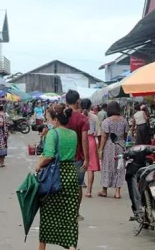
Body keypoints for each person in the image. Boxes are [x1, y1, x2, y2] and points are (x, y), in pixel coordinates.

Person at [35, 103, 79, 250]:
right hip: (71, 176)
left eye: (48, 118)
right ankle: (72, 247)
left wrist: (39, 165)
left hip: (54, 178)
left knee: (47, 216)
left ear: (55, 120)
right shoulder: (73, 134)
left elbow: (48, 156)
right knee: (69, 217)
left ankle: (42, 248)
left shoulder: (53, 133)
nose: (48, 121)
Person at [65, 90, 89, 221]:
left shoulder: (62, 116)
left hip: (63, 156)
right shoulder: (83, 119)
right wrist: (87, 158)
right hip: (78, 157)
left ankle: (65, 211)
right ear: (78, 101)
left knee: (64, 185)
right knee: (78, 185)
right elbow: (84, 140)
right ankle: (76, 212)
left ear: (66, 101)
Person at [98, 101, 127, 199]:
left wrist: (101, 149)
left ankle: (104, 190)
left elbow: (104, 137)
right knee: (120, 167)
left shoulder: (106, 121)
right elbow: (125, 135)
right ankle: (117, 192)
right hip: (121, 146)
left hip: (109, 146)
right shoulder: (124, 120)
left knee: (107, 166)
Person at [81, 98, 100, 198]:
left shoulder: (78, 117)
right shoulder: (94, 117)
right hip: (91, 141)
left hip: (80, 141)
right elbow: (97, 132)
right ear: (90, 106)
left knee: (79, 164)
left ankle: (78, 189)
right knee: (90, 168)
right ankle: (89, 191)